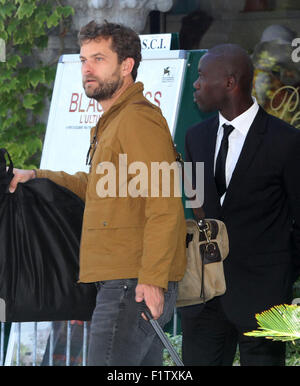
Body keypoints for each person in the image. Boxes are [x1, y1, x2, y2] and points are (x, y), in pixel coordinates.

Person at [9, 20, 186, 366]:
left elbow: (164, 203)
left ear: (126, 65)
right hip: (123, 281)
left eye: (99, 59)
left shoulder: (137, 120)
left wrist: (151, 280)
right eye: (83, 59)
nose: (87, 68)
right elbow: (97, 187)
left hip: (131, 283)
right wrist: (36, 176)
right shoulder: (116, 119)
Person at [180, 43, 300, 366]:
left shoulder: (286, 141)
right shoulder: (195, 138)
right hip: (205, 299)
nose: (196, 83)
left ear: (230, 83)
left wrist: (283, 277)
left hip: (264, 300)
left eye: (203, 76)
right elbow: (197, 206)